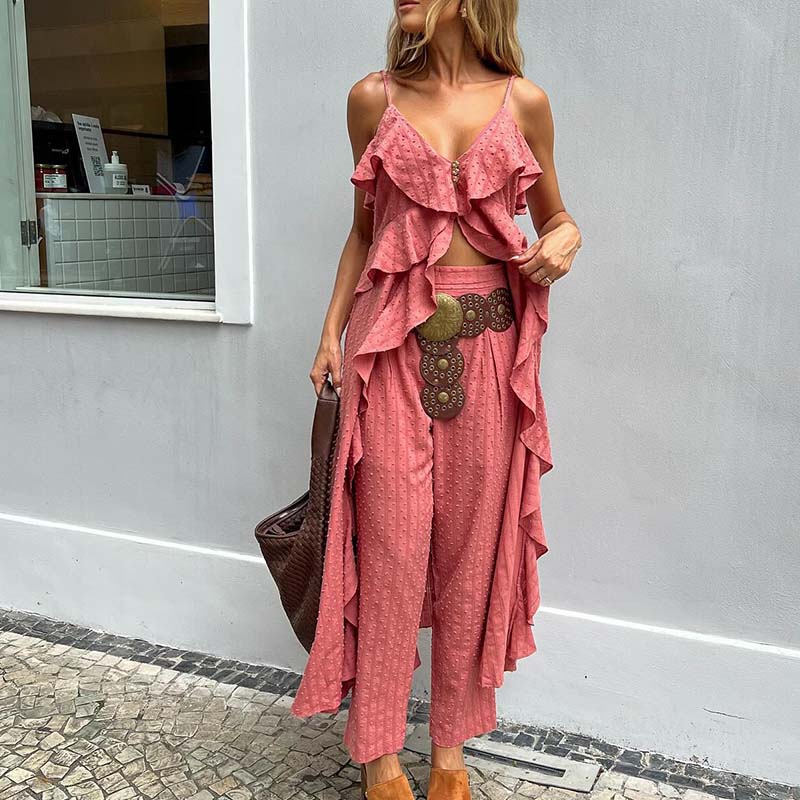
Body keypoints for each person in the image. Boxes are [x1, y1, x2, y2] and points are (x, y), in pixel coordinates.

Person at [293, 1, 582, 798]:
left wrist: (562, 241)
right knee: (388, 549)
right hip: (389, 349)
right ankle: (380, 751)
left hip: (490, 352)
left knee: (471, 555)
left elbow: (558, 218)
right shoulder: (371, 99)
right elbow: (363, 229)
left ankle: (451, 750)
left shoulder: (524, 102)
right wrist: (328, 335)